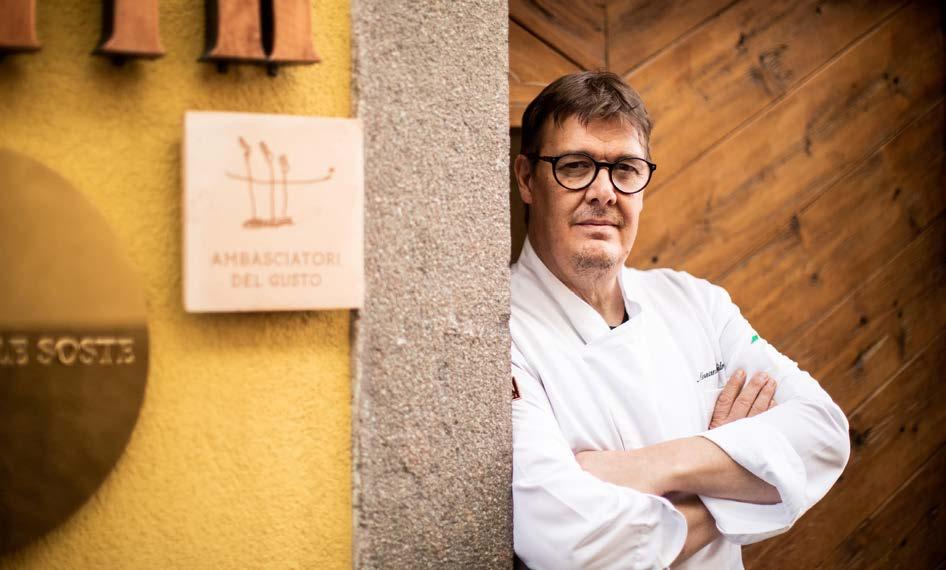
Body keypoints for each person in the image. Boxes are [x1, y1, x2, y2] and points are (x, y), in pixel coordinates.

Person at [510, 71, 851, 569]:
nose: (604, 192)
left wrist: (645, 466)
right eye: (576, 166)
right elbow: (576, 547)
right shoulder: (500, 335)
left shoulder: (696, 302)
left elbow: (824, 435)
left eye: (625, 169)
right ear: (526, 179)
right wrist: (738, 480)